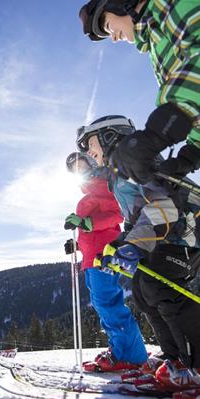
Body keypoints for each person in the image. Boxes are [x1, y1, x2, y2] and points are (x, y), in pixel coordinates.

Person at [76, 115, 200, 394]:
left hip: (181, 235)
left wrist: (133, 246)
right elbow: (135, 217)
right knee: (145, 293)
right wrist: (120, 245)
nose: (87, 151)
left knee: (164, 291)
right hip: (162, 237)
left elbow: (162, 205)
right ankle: (176, 360)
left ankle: (196, 366)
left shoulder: (130, 158)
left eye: (89, 143)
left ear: (109, 136)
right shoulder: (119, 171)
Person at [78, 0, 200, 184]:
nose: (114, 38)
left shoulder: (168, 5)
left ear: (121, 4)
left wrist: (158, 132)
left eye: (108, 26)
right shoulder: (156, 44)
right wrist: (189, 157)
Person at [64, 152, 147, 372]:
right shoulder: (90, 192)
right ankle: (121, 350)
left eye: (82, 166)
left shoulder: (103, 185)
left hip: (104, 255)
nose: (79, 172)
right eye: (75, 171)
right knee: (103, 304)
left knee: (108, 304)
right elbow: (91, 230)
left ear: (92, 164)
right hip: (92, 257)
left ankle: (130, 356)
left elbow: (117, 215)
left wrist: (86, 222)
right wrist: (77, 245)